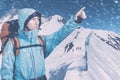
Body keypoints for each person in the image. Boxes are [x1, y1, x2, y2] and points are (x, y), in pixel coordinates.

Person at [1, 7, 86, 80]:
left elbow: (59, 35)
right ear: (24, 21)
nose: (37, 22)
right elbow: (6, 71)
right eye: (33, 19)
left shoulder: (40, 40)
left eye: (38, 19)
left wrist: (75, 21)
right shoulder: (13, 43)